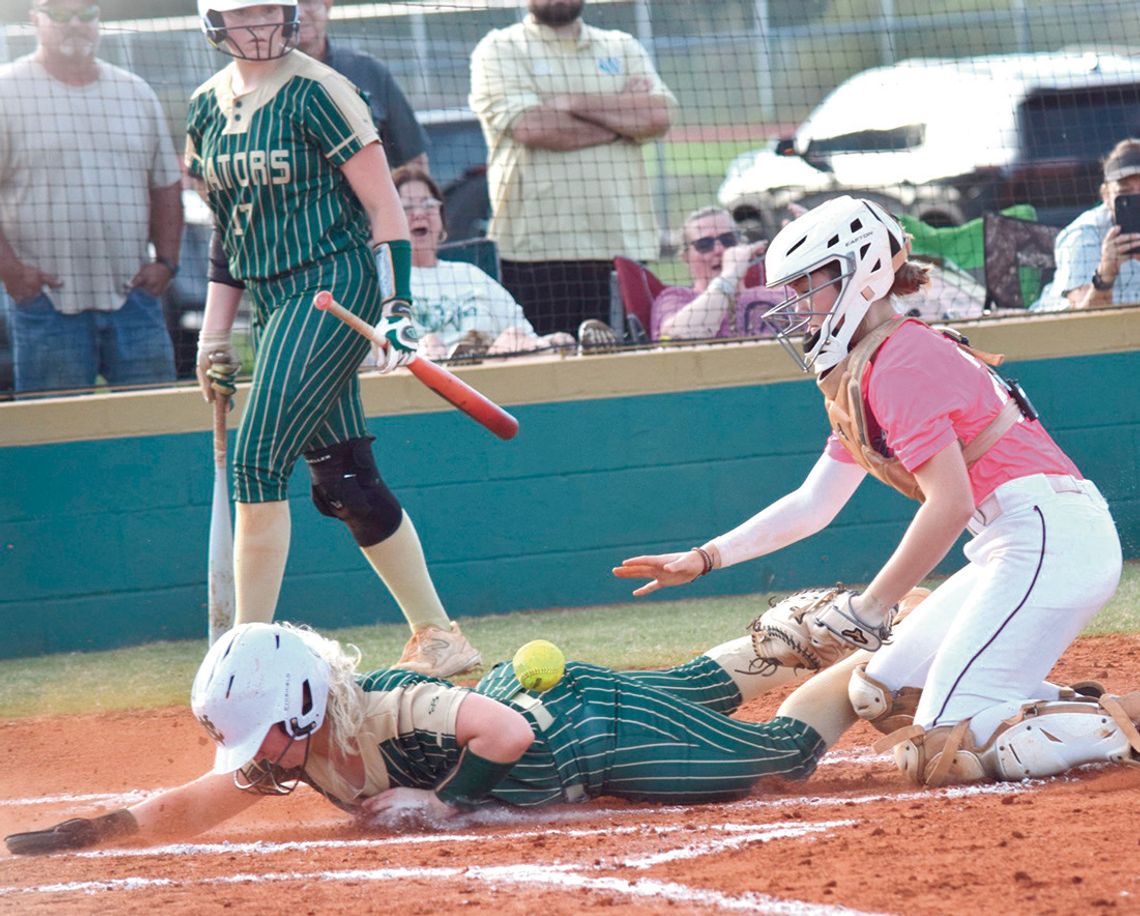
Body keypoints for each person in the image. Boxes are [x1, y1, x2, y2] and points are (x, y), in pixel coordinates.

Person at [616, 196, 1131, 788]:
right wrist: (704, 557)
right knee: (883, 691)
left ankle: (1114, 725)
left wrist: (872, 606)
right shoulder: (870, 364)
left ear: (859, 275)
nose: (796, 305)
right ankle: (1061, 706)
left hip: (1048, 537)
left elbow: (951, 504)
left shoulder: (900, 359)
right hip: (1019, 541)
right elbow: (814, 504)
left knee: (944, 746)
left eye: (808, 285)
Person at [2, 619, 871, 853]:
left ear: (299, 706)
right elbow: (195, 805)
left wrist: (441, 801)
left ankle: (876, 667)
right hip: (565, 724)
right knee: (686, 690)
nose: (253, 760)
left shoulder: (375, 706)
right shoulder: (297, 749)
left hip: (582, 736)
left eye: (259, 737)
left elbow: (499, 734)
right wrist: (92, 831)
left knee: (779, 762)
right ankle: (816, 625)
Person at [187, 0, 479, 678]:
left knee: (256, 459)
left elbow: (386, 209)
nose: (258, 24)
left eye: (269, 10)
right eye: (242, 13)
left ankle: (242, 660)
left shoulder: (321, 89)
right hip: (272, 300)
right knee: (343, 474)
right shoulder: (204, 108)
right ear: (214, 22)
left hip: (331, 288)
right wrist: (215, 335)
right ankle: (440, 635)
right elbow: (227, 239)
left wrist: (398, 305)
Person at [0, 0, 182, 395]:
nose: (75, 24)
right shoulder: (6, 92)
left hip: (134, 299)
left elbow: (166, 185)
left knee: (154, 430)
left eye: (86, 13)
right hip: (45, 304)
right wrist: (13, 274)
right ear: (35, 20)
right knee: (55, 440)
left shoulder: (135, 93)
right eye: (61, 14)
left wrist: (167, 262)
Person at [469, 0, 675, 338]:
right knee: (545, 370)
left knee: (629, 369)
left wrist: (572, 104)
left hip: (621, 246)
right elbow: (532, 127)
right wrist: (621, 123)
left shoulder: (621, 46)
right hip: (532, 254)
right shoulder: (499, 48)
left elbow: (657, 116)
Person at [362, 165, 575, 365]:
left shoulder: (470, 274)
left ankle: (565, 345)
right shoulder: (378, 282)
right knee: (430, 343)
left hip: (490, 371)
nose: (419, 213)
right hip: (424, 373)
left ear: (442, 219)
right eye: (406, 207)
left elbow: (522, 332)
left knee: (519, 337)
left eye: (428, 205)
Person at [294, 0, 428, 172]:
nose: (300, 12)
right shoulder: (258, 78)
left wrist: (414, 195)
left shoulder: (369, 71)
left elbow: (413, 159)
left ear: (327, 6)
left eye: (308, 2)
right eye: (290, 4)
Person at [1032, 139, 1140, 312]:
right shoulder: (1083, 236)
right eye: (1125, 193)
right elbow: (1081, 322)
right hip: (1061, 333)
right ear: (1106, 196)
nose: (1137, 202)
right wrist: (1105, 274)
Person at [651, 206, 785, 341]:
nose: (719, 250)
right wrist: (730, 275)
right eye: (704, 244)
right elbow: (675, 339)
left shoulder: (779, 293)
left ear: (741, 244)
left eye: (728, 240)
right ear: (686, 257)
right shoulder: (674, 299)